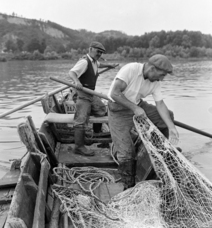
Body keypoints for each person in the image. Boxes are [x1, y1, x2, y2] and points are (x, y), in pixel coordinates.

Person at [107, 54, 179, 188]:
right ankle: (128, 187)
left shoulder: (155, 82)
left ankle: (159, 153)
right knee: (126, 154)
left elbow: (160, 104)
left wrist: (171, 127)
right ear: (152, 68)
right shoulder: (130, 69)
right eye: (162, 75)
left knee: (167, 116)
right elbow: (114, 94)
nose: (162, 79)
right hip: (118, 109)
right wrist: (134, 108)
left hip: (138, 105)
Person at [69, 41, 118, 156]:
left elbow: (99, 65)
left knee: (102, 110)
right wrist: (76, 81)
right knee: (81, 119)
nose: (99, 54)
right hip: (81, 94)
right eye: (98, 51)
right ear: (90, 49)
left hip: (90, 93)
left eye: (101, 52)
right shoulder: (84, 62)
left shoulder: (94, 61)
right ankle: (79, 147)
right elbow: (71, 72)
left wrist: (109, 66)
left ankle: (98, 137)